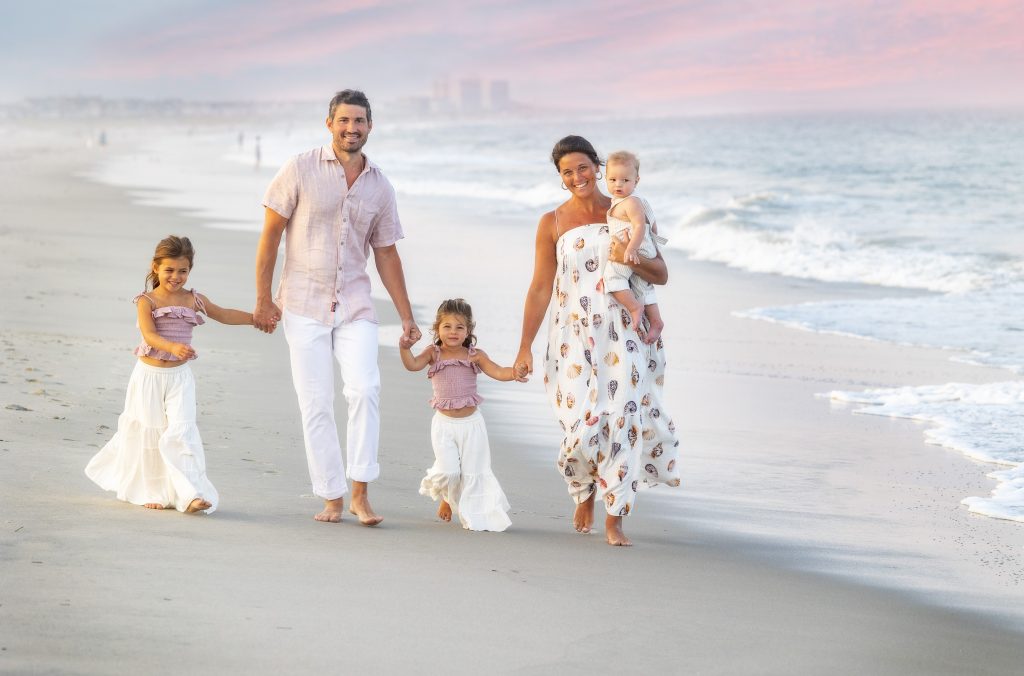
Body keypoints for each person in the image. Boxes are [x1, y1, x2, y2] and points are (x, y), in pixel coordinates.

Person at [253, 89, 421, 525]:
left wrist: (406, 315)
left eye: (360, 121)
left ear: (370, 126)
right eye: (344, 120)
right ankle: (331, 494)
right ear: (329, 123)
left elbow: (386, 253)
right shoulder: (300, 168)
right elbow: (271, 234)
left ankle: (361, 493)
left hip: (355, 303)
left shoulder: (380, 185)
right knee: (316, 403)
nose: (352, 128)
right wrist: (263, 298)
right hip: (303, 302)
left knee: (365, 388)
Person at [514, 135, 681, 546]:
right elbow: (539, 288)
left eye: (583, 167)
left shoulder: (628, 210)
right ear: (560, 178)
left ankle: (615, 516)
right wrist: (524, 346)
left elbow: (660, 275)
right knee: (578, 421)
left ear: (599, 166)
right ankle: (583, 487)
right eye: (567, 172)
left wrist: (632, 257)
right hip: (572, 334)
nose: (577, 177)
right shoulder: (551, 222)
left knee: (622, 417)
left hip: (625, 331)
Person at [86, 235, 254, 514]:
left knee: (181, 431)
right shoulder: (146, 300)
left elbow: (223, 314)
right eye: (169, 270)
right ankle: (152, 490)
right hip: (149, 377)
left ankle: (190, 495)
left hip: (180, 379)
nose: (176, 277)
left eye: (183, 271)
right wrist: (173, 346)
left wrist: (255, 318)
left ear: (190, 270)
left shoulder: (194, 299)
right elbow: (149, 335)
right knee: (151, 432)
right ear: (155, 267)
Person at [399, 299, 524, 531]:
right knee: (449, 470)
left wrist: (514, 373)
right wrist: (404, 348)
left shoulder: (474, 356)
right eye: (447, 326)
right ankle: (447, 497)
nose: (453, 332)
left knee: (472, 471)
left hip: (472, 425)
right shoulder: (433, 354)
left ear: (469, 330)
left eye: (459, 327)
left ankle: (470, 511)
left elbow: (497, 371)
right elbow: (413, 365)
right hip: (443, 425)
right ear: (437, 329)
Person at [603, 150, 666, 342]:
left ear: (636, 181)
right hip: (644, 247)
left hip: (633, 248)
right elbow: (652, 224)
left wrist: (631, 249)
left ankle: (634, 307)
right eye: (612, 180)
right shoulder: (636, 201)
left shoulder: (629, 202)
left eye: (625, 180)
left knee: (613, 276)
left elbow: (639, 225)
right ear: (605, 179)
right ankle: (655, 321)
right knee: (643, 286)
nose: (618, 185)